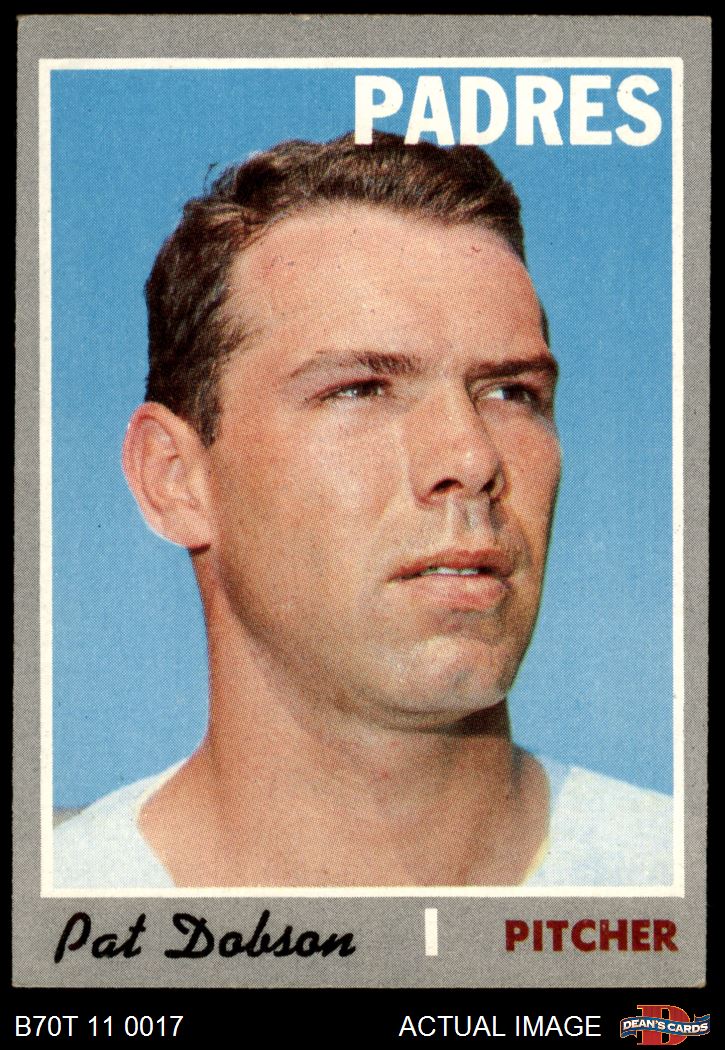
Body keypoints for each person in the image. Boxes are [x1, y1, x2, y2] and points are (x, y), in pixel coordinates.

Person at [55, 131, 672, 888]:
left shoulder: (669, 878)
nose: (471, 457)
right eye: (360, 389)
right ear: (175, 480)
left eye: (512, 393)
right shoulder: (67, 904)